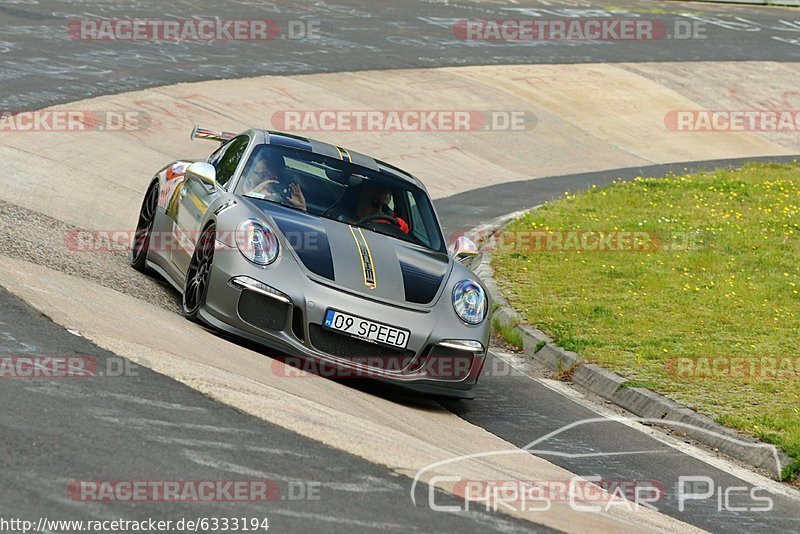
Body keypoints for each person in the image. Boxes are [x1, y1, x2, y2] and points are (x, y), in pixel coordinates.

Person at [241, 150, 306, 211]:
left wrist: (301, 208)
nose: (268, 181)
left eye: (273, 178)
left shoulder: (281, 200)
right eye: (263, 175)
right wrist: (254, 194)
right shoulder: (238, 186)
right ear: (249, 173)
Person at [339, 182, 409, 234]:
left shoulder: (395, 223)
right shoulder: (340, 219)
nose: (379, 210)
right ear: (362, 198)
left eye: (384, 207)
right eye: (375, 204)